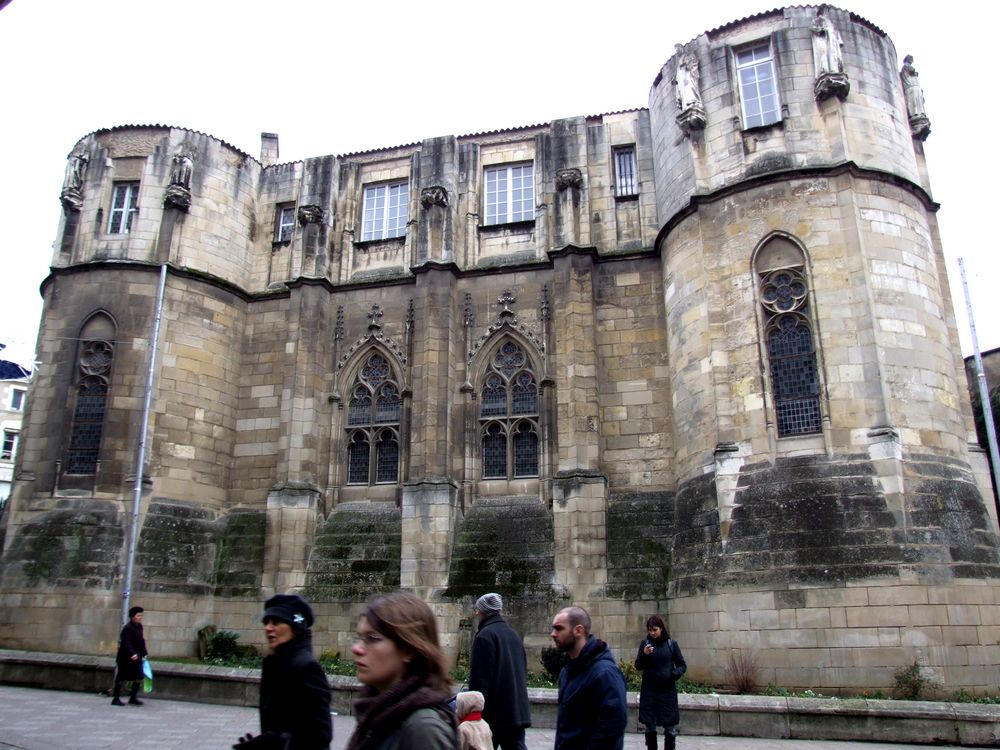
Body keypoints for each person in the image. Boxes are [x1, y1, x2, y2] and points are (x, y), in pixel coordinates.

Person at [345, 591, 458, 750]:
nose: (356, 648)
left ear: (408, 650)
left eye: (373, 638)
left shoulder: (423, 728)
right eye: (360, 637)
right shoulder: (377, 712)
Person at [234, 593, 332, 750]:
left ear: (295, 628)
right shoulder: (277, 664)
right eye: (266, 622)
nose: (268, 628)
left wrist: (273, 742)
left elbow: (320, 735)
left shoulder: (307, 668)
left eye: (276, 622)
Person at [550, 606, 627, 750]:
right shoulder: (566, 672)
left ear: (578, 631)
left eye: (559, 628)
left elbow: (612, 727)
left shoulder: (605, 673)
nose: (553, 634)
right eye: (553, 628)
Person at [468, 593, 531, 750]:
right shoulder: (513, 635)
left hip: (494, 715)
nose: (476, 613)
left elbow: (480, 680)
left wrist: (474, 712)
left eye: (477, 609)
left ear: (481, 611)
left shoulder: (484, 636)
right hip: (516, 711)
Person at [634, 615, 687, 750]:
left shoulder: (671, 644)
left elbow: (682, 665)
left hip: (667, 693)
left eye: (655, 630)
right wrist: (644, 654)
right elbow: (638, 665)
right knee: (650, 727)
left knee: (670, 729)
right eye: (650, 630)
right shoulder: (645, 644)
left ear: (661, 629)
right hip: (650, 692)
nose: (652, 633)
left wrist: (673, 675)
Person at [112, 605, 148, 706]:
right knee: (121, 676)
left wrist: (144, 652)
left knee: (139, 676)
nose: (140, 617)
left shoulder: (139, 627)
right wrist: (132, 653)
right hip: (125, 657)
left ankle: (133, 697)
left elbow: (141, 640)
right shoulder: (127, 628)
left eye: (141, 615)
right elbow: (126, 642)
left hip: (137, 655)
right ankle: (116, 698)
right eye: (138, 615)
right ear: (132, 616)